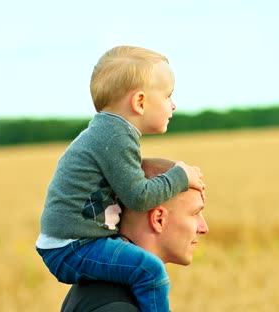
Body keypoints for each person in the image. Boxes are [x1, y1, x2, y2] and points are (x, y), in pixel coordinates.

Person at [36, 46, 205, 312]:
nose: (173, 104)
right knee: (149, 271)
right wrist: (180, 176)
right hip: (73, 246)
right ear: (139, 102)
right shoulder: (116, 137)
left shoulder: (109, 132)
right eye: (168, 95)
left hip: (71, 243)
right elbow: (140, 197)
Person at [60, 158, 209, 311]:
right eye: (195, 213)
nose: (204, 228)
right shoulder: (118, 307)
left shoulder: (96, 288)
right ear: (158, 219)